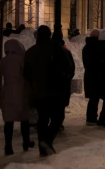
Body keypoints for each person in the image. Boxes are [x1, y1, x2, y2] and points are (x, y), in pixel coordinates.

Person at [24, 26, 72, 156]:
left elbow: (26, 73)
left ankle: (43, 148)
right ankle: (47, 141)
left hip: (39, 92)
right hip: (56, 91)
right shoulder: (57, 49)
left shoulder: (30, 52)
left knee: (43, 119)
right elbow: (68, 67)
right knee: (58, 117)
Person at [0, 39, 34, 155]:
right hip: (21, 91)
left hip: (8, 92)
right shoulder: (22, 60)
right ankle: (25, 142)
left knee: (8, 121)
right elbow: (27, 75)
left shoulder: (3, 61)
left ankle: (8, 146)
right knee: (24, 120)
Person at [52, 30, 75, 132]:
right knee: (60, 105)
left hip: (50, 83)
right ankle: (58, 123)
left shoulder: (47, 49)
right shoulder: (65, 51)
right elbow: (70, 67)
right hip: (62, 83)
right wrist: (67, 77)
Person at [83, 29, 102, 126]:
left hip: (89, 75)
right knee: (94, 97)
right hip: (95, 75)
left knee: (94, 97)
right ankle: (91, 118)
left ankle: (91, 117)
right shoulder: (95, 47)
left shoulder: (87, 46)